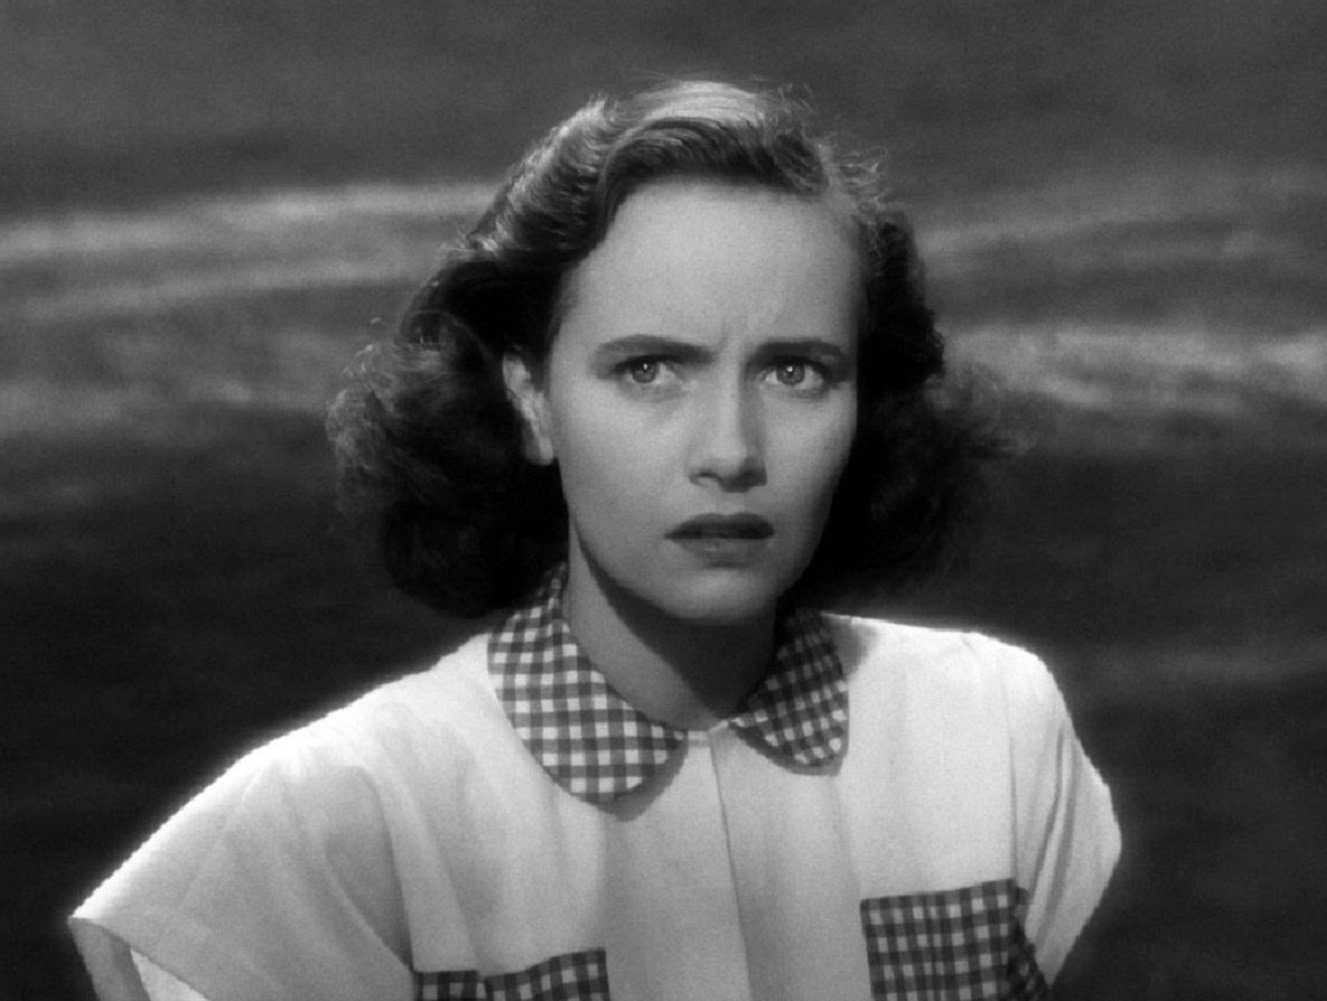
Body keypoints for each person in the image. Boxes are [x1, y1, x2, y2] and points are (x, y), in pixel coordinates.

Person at [70, 79, 1119, 1001]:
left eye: (794, 370)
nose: (730, 449)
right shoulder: (341, 823)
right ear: (530, 398)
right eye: (648, 369)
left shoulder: (990, 734)